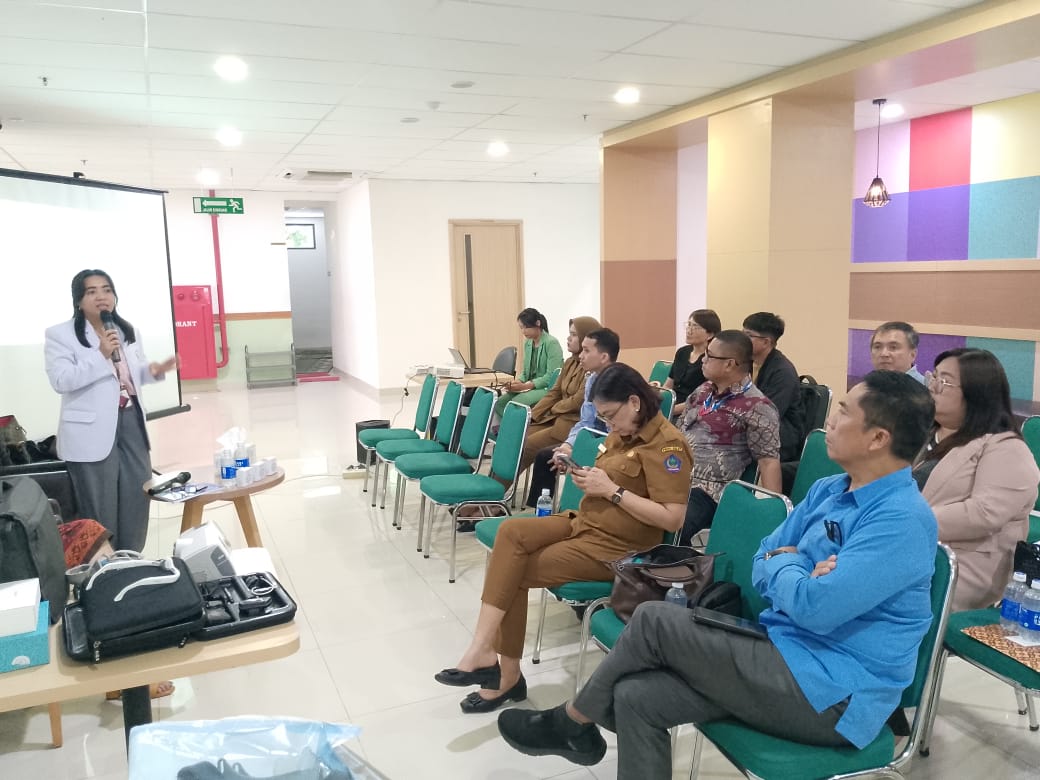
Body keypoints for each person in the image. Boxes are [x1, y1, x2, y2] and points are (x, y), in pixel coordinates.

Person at [497, 371, 938, 779]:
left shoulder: (900, 520)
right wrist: (799, 567)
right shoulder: (830, 489)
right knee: (637, 697)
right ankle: (576, 726)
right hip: (781, 650)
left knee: (654, 619)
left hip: (833, 694)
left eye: (843, 412)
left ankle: (571, 721)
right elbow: (763, 557)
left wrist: (790, 562)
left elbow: (814, 608)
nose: (831, 422)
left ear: (878, 438)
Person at [434, 363, 692, 715]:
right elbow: (611, 476)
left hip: (617, 547)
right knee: (510, 533)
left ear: (634, 402)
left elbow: (672, 518)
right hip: (584, 522)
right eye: (603, 417)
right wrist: (581, 472)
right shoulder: (624, 431)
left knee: (513, 572)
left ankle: (503, 674)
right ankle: (483, 651)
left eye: (610, 415)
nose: (608, 425)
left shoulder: (668, 447)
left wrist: (612, 491)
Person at [44, 269, 178, 553]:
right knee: (99, 502)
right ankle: (104, 564)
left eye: (106, 289)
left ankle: (131, 558)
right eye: (91, 291)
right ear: (78, 300)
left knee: (137, 494)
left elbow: (130, 375)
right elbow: (61, 380)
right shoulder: (60, 335)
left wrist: (153, 371)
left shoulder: (126, 330)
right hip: (90, 432)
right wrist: (100, 353)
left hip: (131, 421)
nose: (101, 296)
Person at [914, 348, 1039, 611]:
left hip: (961, 567)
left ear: (977, 393)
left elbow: (984, 513)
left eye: (944, 381)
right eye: (933, 377)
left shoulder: (1005, 447)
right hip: (910, 549)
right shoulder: (925, 434)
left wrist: (905, 520)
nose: (933, 387)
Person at [677, 330, 780, 543]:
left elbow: (768, 462)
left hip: (708, 491)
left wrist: (773, 520)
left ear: (729, 364)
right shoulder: (703, 390)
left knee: (671, 522)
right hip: (673, 475)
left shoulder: (758, 407)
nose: (703, 359)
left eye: (709, 355)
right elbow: (678, 433)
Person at [523, 328, 618, 508]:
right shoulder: (592, 379)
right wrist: (568, 445)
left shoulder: (619, 383)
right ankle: (541, 512)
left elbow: (618, 435)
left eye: (586, 351)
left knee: (564, 457)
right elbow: (586, 422)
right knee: (547, 456)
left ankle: (574, 511)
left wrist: (581, 449)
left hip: (612, 446)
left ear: (604, 357)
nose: (581, 355)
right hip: (594, 439)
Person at [518, 316, 601, 475]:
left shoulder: (592, 368)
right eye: (569, 334)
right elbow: (554, 392)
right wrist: (533, 416)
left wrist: (553, 409)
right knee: (515, 436)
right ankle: (492, 484)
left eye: (574, 335)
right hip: (556, 419)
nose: (568, 339)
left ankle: (498, 487)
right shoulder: (570, 362)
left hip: (571, 424)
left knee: (527, 445)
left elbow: (577, 402)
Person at [742, 312, 805, 461]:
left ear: (766, 342)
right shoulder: (747, 362)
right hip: (753, 427)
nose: (742, 340)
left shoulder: (782, 372)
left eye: (748, 335)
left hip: (780, 437)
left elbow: (768, 413)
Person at [492, 308, 564, 421]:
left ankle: (518, 429)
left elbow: (551, 376)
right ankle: (509, 427)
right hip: (530, 386)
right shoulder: (528, 343)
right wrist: (518, 382)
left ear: (538, 323)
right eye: (521, 328)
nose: (523, 331)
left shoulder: (551, 343)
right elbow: (526, 372)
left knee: (515, 404)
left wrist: (526, 386)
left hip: (547, 388)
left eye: (526, 327)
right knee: (499, 403)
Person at [662, 309, 721, 419]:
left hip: (693, 411)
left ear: (710, 334)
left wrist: (670, 410)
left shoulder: (711, 359)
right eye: (689, 325)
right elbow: (668, 386)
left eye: (695, 327)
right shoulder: (682, 352)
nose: (689, 330)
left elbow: (704, 399)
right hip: (672, 406)